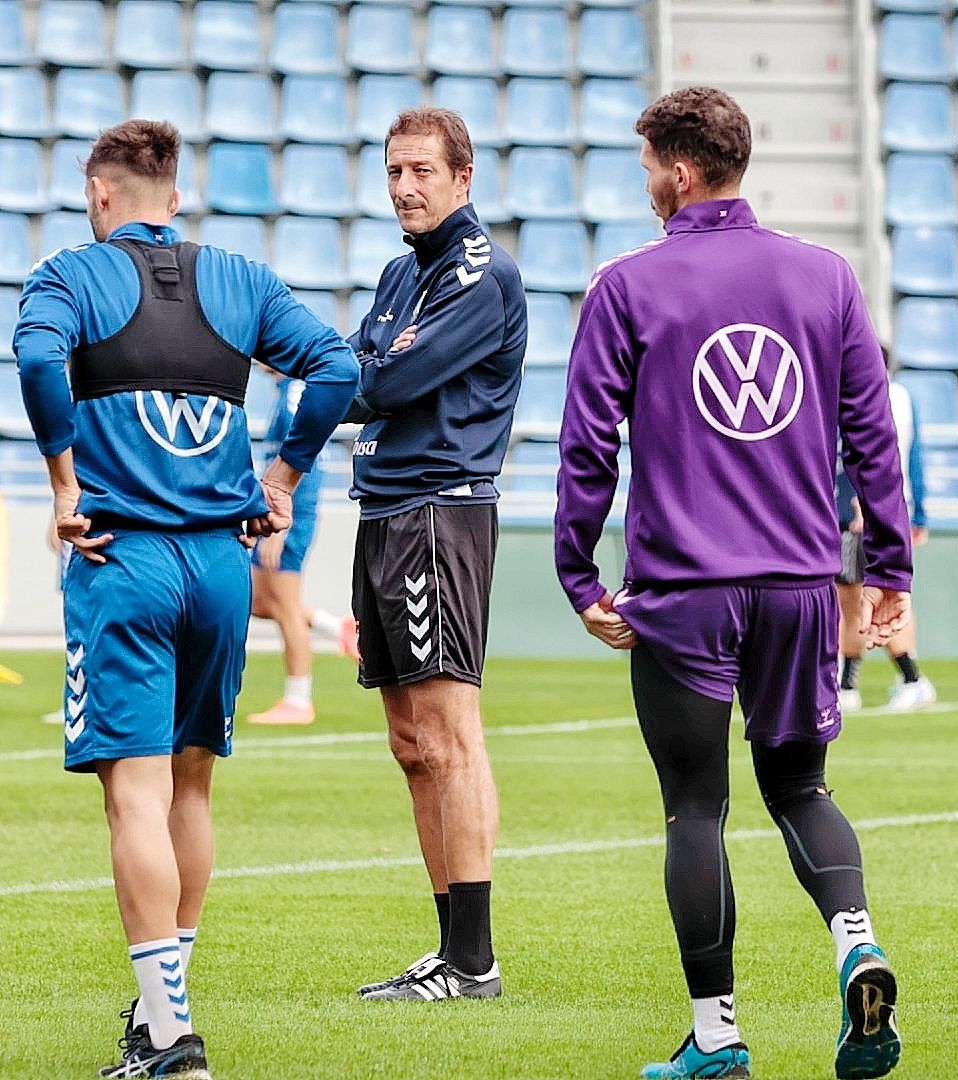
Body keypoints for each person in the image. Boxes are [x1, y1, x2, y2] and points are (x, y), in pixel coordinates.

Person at [554, 86, 913, 1080]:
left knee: (695, 808)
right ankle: (856, 943)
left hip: (684, 589)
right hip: (801, 585)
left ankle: (716, 1035)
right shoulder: (826, 278)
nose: (646, 191)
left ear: (678, 171)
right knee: (800, 784)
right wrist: (887, 566)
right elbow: (872, 438)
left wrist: (577, 569)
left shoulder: (627, 285)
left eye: (647, 173)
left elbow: (588, 446)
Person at [14, 119, 358, 1079]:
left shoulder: (69, 277)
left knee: (135, 791)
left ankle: (169, 1035)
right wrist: (283, 476)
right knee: (192, 783)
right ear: (176, 197)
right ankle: (159, 1010)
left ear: (99, 196)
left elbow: (39, 361)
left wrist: (62, 484)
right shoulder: (242, 280)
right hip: (220, 568)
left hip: (124, 558)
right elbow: (337, 366)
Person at [347, 107, 526, 1002]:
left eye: (421, 171)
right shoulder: (396, 274)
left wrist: (365, 369)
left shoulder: (478, 273)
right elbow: (357, 372)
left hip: (438, 512)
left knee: (449, 736)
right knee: (410, 743)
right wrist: (360, 369)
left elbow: (382, 379)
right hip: (384, 509)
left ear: (463, 179)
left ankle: (475, 960)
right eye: (393, 172)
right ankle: (449, 945)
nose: (404, 188)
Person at [246, 367, 362, 727]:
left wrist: (280, 528)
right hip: (281, 511)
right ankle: (337, 628)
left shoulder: (296, 391)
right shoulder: (285, 391)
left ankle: (298, 700)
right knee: (259, 602)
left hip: (290, 514)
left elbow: (304, 455)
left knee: (283, 607)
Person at [835, 371, 934, 713]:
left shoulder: (854, 395)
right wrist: (919, 511)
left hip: (862, 509)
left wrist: (859, 501)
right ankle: (850, 684)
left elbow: (859, 452)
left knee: (858, 598)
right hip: (894, 507)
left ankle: (910, 679)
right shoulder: (903, 397)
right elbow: (915, 455)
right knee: (876, 592)